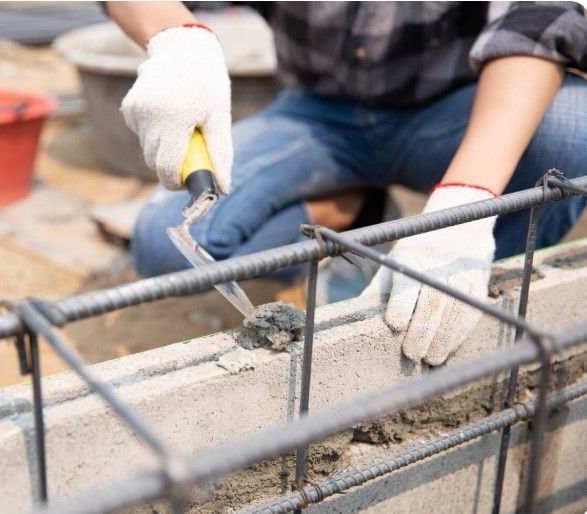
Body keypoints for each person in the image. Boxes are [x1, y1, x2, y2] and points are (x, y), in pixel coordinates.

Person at [105, 2, 586, 365]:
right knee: (162, 245)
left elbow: (541, 19)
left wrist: (465, 203)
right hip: (318, 118)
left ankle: (457, 311)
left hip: (451, 111)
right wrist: (178, 38)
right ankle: (350, 211)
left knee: (574, 127)